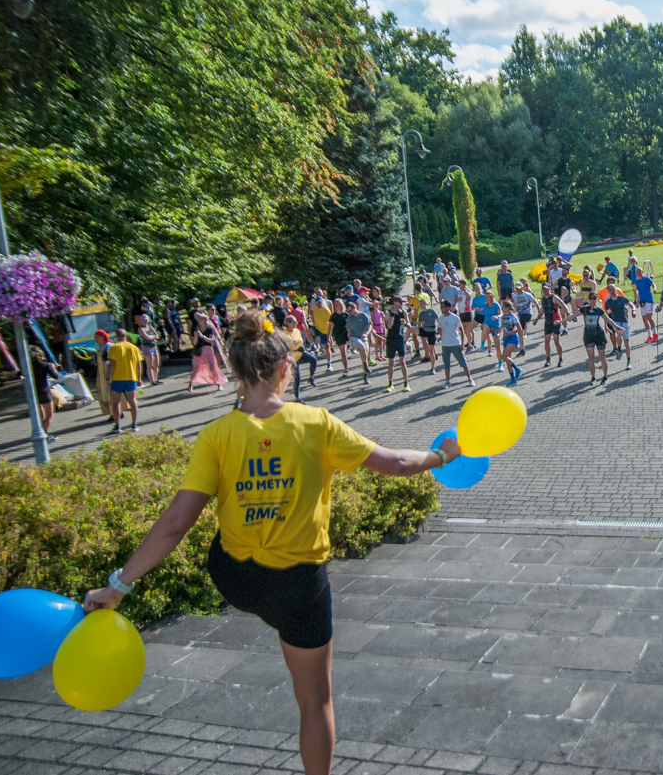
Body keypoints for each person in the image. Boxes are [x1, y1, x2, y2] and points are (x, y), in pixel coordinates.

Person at [82, 310, 461, 775]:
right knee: (315, 701)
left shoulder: (216, 435)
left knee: (236, 561)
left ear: (238, 373)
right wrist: (442, 455)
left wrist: (119, 584)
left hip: (234, 576)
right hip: (297, 588)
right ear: (285, 369)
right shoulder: (315, 423)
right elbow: (398, 464)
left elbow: (176, 522)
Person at [572, 293, 617, 384]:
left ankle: (605, 376)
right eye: (591, 298)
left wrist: (618, 327)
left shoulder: (599, 310)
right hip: (588, 335)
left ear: (596, 299)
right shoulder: (584, 309)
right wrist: (561, 321)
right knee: (591, 358)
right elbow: (572, 316)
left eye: (594, 298)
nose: (592, 300)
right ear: (589, 299)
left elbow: (608, 319)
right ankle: (593, 377)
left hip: (598, 334)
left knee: (602, 357)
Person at [107, 328, 144, 434]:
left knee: (116, 402)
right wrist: (139, 378)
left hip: (117, 378)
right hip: (131, 377)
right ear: (125, 336)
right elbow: (138, 365)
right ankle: (134, 424)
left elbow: (112, 364)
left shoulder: (114, 348)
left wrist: (107, 378)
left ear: (117, 337)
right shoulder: (134, 348)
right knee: (132, 400)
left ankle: (117, 425)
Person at [436, 299, 475, 388]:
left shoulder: (455, 317)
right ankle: (447, 381)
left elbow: (461, 330)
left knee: (463, 362)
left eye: (443, 307)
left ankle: (469, 378)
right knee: (446, 363)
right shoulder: (441, 318)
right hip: (445, 344)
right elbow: (439, 328)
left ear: (448, 307)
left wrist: (461, 344)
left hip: (455, 343)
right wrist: (439, 331)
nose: (442, 308)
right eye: (441, 307)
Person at [188, 312, 229, 392]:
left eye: (201, 318)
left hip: (208, 349)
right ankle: (190, 385)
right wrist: (196, 336)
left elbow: (211, 341)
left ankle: (219, 384)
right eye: (199, 319)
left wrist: (202, 336)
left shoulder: (209, 328)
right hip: (199, 351)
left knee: (213, 367)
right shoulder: (195, 328)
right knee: (196, 368)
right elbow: (194, 343)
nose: (200, 320)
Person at [27, 344, 60, 442]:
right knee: (49, 415)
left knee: (40, 416)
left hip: (33, 393)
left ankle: (39, 433)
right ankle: (44, 434)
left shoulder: (28, 367)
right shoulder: (45, 365)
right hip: (44, 392)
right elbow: (56, 376)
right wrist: (53, 367)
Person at [603, 281, 636, 370]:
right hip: (615, 322)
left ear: (616, 289)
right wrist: (605, 326)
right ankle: (619, 349)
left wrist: (633, 310)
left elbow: (632, 305)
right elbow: (605, 315)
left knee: (627, 342)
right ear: (608, 291)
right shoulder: (608, 302)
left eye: (613, 289)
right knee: (619, 332)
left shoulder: (622, 298)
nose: (612, 290)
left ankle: (628, 361)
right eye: (610, 289)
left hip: (624, 321)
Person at [283, 316, 318, 399]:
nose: (295, 324)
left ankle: (311, 377)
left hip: (301, 353)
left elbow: (301, 341)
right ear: (288, 323)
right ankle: (297, 397)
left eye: (296, 322)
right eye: (293, 322)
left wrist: (301, 346)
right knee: (297, 377)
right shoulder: (284, 334)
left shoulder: (297, 331)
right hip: (293, 357)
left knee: (313, 360)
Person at [536, 284, 569, 368]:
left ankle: (560, 359)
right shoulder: (543, 299)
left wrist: (568, 314)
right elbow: (542, 310)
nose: (545, 291)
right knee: (546, 341)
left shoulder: (554, 297)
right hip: (547, 322)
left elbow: (563, 304)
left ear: (550, 289)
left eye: (546, 289)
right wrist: (536, 319)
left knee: (556, 341)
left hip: (555, 322)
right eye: (543, 289)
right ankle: (548, 359)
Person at [383, 296, 410, 393]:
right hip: (391, 339)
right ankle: (390, 383)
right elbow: (389, 326)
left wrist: (405, 322)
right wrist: (393, 315)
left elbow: (408, 324)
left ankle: (406, 383)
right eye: (400, 302)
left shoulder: (404, 312)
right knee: (391, 361)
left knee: (402, 361)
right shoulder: (388, 312)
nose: (401, 304)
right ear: (395, 302)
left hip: (400, 338)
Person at [344, 302, 371, 384]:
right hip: (354, 338)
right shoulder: (349, 318)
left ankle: (365, 375)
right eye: (349, 311)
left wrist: (366, 333)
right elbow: (348, 330)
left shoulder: (363, 315)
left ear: (355, 307)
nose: (350, 312)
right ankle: (365, 365)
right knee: (362, 347)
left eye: (351, 310)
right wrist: (348, 342)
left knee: (364, 354)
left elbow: (369, 326)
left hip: (362, 337)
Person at [498, 299, 523, 386]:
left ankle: (517, 369)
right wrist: (497, 332)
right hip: (506, 339)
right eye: (502, 307)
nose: (502, 309)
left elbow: (520, 329)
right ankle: (512, 379)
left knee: (503, 356)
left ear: (508, 307)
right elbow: (502, 327)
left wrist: (509, 333)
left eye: (503, 307)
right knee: (508, 359)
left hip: (512, 338)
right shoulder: (504, 316)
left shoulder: (513, 316)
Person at [632, 267, 657, 344]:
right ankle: (649, 335)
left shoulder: (646, 279)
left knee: (649, 317)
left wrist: (654, 289)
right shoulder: (637, 281)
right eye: (636, 271)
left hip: (649, 300)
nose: (638, 272)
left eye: (639, 271)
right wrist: (637, 302)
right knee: (644, 318)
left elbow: (653, 284)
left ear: (642, 271)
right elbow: (639, 292)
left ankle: (655, 333)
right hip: (642, 301)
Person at [136, 313, 162, 385]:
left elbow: (157, 335)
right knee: (149, 364)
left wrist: (152, 336)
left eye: (146, 320)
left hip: (153, 346)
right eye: (144, 320)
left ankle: (156, 379)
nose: (145, 322)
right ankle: (152, 380)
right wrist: (153, 337)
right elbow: (147, 337)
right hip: (146, 347)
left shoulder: (150, 327)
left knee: (156, 364)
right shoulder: (141, 329)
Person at [310, 297, 334, 371]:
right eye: (317, 302)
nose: (319, 304)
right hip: (317, 328)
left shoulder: (326, 310)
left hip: (325, 331)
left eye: (320, 302)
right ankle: (313, 346)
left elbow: (331, 322)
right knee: (308, 332)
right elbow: (314, 318)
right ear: (315, 303)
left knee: (327, 348)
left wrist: (329, 334)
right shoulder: (315, 310)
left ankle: (329, 364)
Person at [415, 297, 438, 375]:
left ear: (427, 304)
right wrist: (420, 323)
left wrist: (440, 328)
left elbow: (438, 319)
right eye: (421, 304)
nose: (422, 306)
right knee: (427, 346)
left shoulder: (431, 311)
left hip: (432, 331)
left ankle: (433, 368)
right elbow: (418, 323)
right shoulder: (421, 314)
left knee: (431, 350)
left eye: (423, 304)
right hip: (424, 330)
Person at [514, 279, 536, 356]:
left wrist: (539, 310)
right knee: (519, 330)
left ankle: (521, 347)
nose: (518, 290)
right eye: (516, 288)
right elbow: (513, 306)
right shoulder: (514, 296)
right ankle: (522, 348)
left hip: (527, 313)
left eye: (519, 288)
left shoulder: (527, 294)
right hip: (520, 314)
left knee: (520, 330)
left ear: (522, 287)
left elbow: (535, 301)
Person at [328, 300, 350, 377]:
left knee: (345, 351)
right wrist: (329, 336)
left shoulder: (346, 314)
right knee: (343, 352)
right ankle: (346, 369)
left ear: (341, 305)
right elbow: (330, 327)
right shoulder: (333, 316)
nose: (337, 306)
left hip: (346, 334)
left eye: (338, 304)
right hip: (338, 334)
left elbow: (351, 324)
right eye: (335, 305)